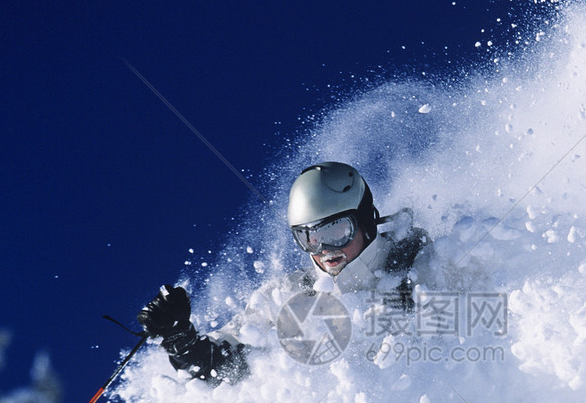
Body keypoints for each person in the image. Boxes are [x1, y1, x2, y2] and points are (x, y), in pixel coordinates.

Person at [138, 162, 431, 382]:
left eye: (338, 231)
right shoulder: (287, 297)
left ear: (366, 221)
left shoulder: (419, 263)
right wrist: (180, 340)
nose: (325, 249)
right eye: (310, 238)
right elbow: (223, 365)